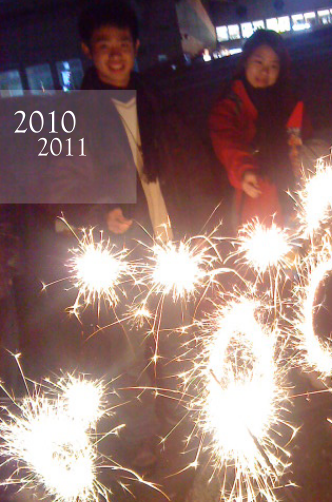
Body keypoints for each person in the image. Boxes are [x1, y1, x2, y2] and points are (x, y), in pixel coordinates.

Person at [74, 0, 218, 476]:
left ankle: (183, 424)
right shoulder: (76, 115)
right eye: (104, 45)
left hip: (168, 243)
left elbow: (188, 171)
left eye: (123, 44)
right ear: (87, 51)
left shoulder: (155, 100)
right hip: (120, 255)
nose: (115, 54)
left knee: (177, 338)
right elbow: (63, 185)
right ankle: (142, 436)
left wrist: (196, 230)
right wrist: (100, 212)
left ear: (136, 47)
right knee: (130, 351)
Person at [209, 30, 309, 231]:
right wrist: (243, 170)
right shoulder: (231, 105)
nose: (265, 72)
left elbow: (304, 138)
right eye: (259, 62)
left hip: (295, 194)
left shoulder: (288, 102)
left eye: (273, 66)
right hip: (256, 198)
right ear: (245, 61)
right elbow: (225, 140)